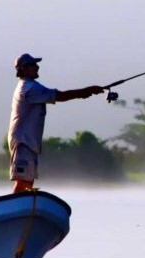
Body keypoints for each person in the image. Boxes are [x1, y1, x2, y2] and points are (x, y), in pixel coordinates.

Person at [8, 53, 104, 193]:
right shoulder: (28, 88)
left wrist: (85, 93)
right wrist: (86, 91)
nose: (37, 67)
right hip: (24, 141)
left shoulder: (31, 86)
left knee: (28, 181)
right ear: (24, 68)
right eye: (33, 65)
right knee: (22, 181)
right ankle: (14, 209)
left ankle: (23, 210)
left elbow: (58, 95)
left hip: (28, 141)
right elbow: (60, 96)